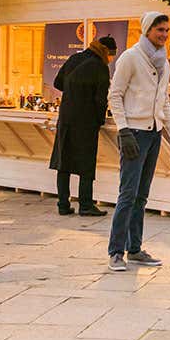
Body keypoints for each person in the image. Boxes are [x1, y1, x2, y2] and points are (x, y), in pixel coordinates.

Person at [106, 12, 170, 272]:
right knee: (127, 194)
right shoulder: (130, 57)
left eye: (166, 31)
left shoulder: (164, 62)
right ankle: (116, 251)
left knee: (142, 195)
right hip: (134, 132)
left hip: (154, 132)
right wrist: (123, 129)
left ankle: (135, 248)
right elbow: (114, 95)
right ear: (148, 30)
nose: (163, 35)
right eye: (159, 30)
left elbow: (164, 102)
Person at [49, 36, 117, 216]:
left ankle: (63, 204)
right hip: (86, 121)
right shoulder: (100, 67)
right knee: (86, 163)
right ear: (106, 51)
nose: (111, 59)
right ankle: (85, 205)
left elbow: (58, 82)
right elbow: (100, 99)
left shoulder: (74, 58)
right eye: (111, 55)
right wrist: (100, 120)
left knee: (64, 161)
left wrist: (74, 91)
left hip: (66, 117)